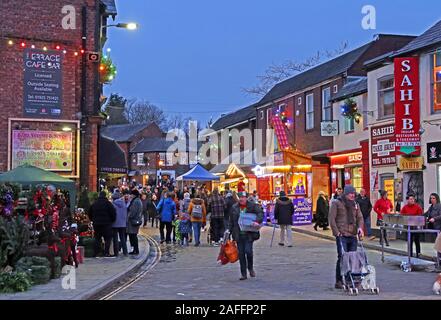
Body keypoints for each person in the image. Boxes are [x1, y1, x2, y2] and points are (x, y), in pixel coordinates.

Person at [328, 185, 364, 289]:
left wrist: (360, 228)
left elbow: (360, 217)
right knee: (342, 257)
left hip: (352, 234)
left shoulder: (355, 204)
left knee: (352, 258)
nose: (353, 195)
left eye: (354, 193)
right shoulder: (336, 203)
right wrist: (336, 232)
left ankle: (350, 280)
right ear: (346, 194)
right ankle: (339, 280)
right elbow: (332, 219)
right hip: (341, 234)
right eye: (350, 193)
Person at [228, 191, 263, 280]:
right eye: (240, 197)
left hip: (249, 233)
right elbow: (231, 221)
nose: (242, 199)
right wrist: (229, 232)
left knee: (248, 251)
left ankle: (250, 268)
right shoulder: (234, 207)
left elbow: (260, 213)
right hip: (238, 234)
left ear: (246, 198)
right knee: (241, 254)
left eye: (243, 197)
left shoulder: (253, 206)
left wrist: (257, 221)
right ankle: (243, 273)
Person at [88, 191, 116, 258]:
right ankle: (106, 252)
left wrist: (93, 220)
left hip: (97, 224)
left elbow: (89, 213)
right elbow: (113, 213)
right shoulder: (108, 204)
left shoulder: (94, 204)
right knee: (107, 239)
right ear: (105, 196)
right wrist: (112, 221)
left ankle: (96, 253)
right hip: (107, 224)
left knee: (97, 238)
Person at [401, 193, 424, 258]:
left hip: (416, 227)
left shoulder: (417, 207)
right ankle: (410, 254)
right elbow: (402, 215)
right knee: (409, 241)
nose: (412, 200)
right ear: (408, 200)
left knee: (417, 241)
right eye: (410, 199)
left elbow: (420, 216)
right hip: (408, 227)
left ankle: (418, 254)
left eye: (413, 199)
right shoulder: (405, 207)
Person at [111, 190, 128, 257]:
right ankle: (125, 252)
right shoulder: (124, 204)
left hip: (115, 224)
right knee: (123, 238)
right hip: (123, 224)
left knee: (115, 238)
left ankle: (116, 253)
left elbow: (112, 214)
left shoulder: (113, 204)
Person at [426, 193, 441, 266]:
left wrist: (434, 219)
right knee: (437, 245)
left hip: (439, 227)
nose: (432, 200)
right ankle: (439, 259)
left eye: (433, 198)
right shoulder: (431, 207)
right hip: (433, 227)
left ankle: (440, 260)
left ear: (437, 199)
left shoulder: (439, 206)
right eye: (431, 198)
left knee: (439, 245)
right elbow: (426, 214)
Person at [127, 189, 143, 255]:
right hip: (135, 220)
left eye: (131, 194)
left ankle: (135, 250)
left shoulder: (136, 201)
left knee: (133, 236)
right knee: (133, 236)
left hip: (133, 221)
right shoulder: (138, 200)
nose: (130, 196)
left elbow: (133, 212)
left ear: (134, 195)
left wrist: (128, 216)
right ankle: (135, 250)